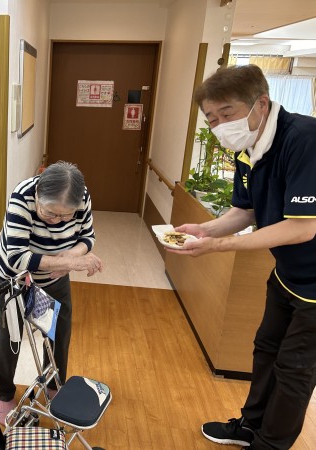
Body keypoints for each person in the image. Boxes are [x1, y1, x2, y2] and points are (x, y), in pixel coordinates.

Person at [169, 65, 316, 450]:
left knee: (295, 370)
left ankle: (270, 444)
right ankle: (251, 427)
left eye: (227, 113)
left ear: (260, 104)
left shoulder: (304, 139)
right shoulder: (249, 147)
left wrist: (219, 246)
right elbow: (246, 211)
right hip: (287, 274)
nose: (220, 126)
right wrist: (206, 230)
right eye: (211, 118)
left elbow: (302, 228)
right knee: (266, 349)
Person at [0, 161, 103, 424]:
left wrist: (69, 258)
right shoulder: (22, 197)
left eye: (66, 217)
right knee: (11, 337)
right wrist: (68, 262)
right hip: (15, 277)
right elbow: (17, 257)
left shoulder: (80, 197)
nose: (57, 221)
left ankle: (54, 385)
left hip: (56, 275)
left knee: (59, 332)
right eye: (50, 213)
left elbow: (87, 237)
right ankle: (3, 393)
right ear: (39, 194)